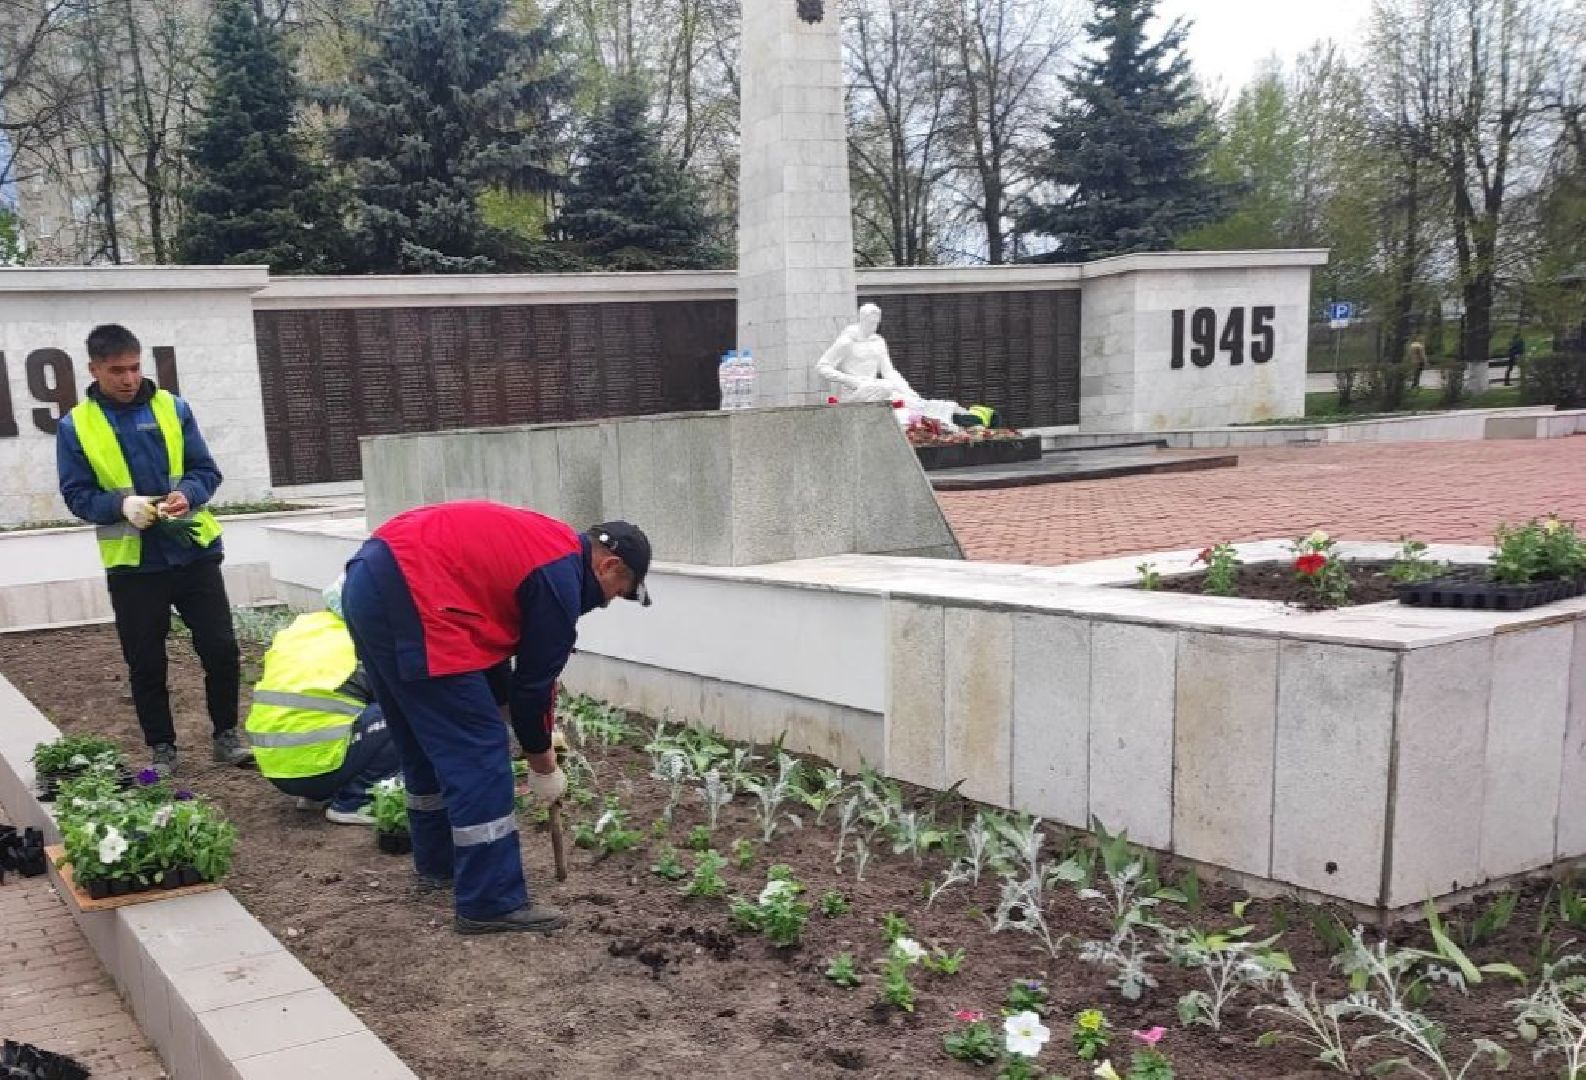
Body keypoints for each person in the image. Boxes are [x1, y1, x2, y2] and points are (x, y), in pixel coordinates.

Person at [340, 501, 652, 936]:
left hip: (373, 579)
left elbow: (490, 656)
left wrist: (522, 724)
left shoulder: (548, 548)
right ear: (610, 565)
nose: (610, 602)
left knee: (422, 740)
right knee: (480, 749)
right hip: (418, 594)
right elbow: (532, 689)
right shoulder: (560, 581)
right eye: (621, 589)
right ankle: (490, 901)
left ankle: (439, 864)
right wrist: (544, 766)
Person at [56, 324, 252, 778]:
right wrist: (120, 505)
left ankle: (226, 734)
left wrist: (189, 493)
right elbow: (75, 495)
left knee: (221, 649)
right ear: (94, 369)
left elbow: (206, 470)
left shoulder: (173, 408)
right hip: (134, 565)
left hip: (193, 552)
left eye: (134, 367)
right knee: (146, 661)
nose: (128, 378)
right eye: (116, 370)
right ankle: (162, 748)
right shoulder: (75, 426)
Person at [245, 578, 400, 825]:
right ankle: (355, 800)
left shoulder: (303, 629)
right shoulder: (363, 641)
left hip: (275, 765)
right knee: (402, 715)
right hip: (315, 764)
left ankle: (319, 793)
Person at [816, 303, 968, 427]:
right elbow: (822, 367)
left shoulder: (878, 342)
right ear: (862, 320)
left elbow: (889, 371)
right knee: (886, 387)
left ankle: (948, 411)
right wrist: (850, 380)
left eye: (876, 323)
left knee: (911, 401)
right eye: (870, 323)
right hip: (854, 394)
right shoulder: (847, 342)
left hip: (876, 389)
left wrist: (908, 390)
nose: (873, 327)